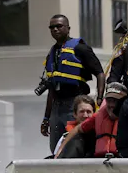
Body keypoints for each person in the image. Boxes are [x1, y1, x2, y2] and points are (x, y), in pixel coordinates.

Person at [40, 14, 106, 153]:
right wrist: (46, 118)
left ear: (68, 28)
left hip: (75, 104)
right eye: (52, 27)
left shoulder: (80, 48)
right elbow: (51, 89)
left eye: (59, 26)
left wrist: (99, 98)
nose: (55, 29)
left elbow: (99, 72)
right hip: (57, 107)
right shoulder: (51, 53)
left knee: (75, 143)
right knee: (56, 148)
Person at [54, 82, 128, 159]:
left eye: (115, 101)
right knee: (76, 140)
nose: (112, 105)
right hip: (100, 160)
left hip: (125, 160)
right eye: (109, 100)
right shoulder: (99, 116)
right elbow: (78, 128)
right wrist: (60, 149)